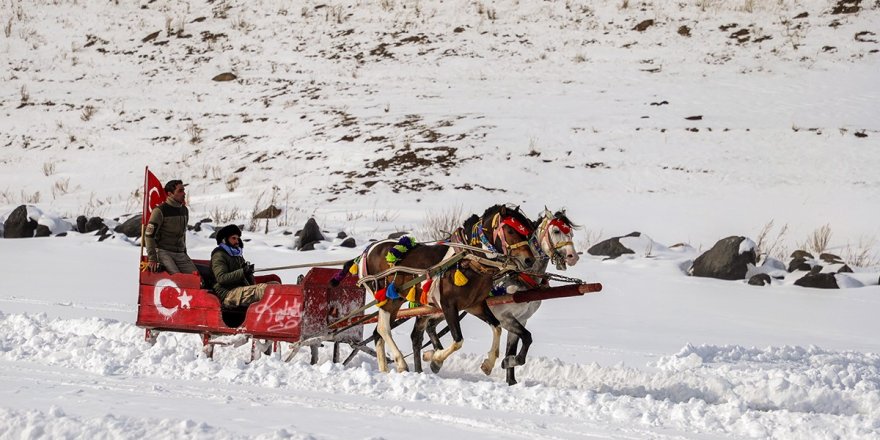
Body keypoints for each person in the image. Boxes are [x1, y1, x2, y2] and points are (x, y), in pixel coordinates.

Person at [211, 224, 275, 308]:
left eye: (237, 238)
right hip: (228, 293)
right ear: (224, 240)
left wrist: (248, 273)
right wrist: (243, 271)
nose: (237, 241)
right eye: (233, 238)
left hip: (240, 289)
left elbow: (244, 277)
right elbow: (221, 278)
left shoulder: (236, 255)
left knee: (275, 286)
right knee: (265, 290)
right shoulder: (219, 255)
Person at [143, 179, 197, 275]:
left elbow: (183, 233)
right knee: (178, 279)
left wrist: (184, 252)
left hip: (180, 253)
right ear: (170, 194)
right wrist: (152, 259)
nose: (184, 193)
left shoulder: (184, 210)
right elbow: (149, 236)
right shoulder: (160, 211)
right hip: (164, 252)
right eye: (180, 191)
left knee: (197, 279)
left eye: (184, 190)